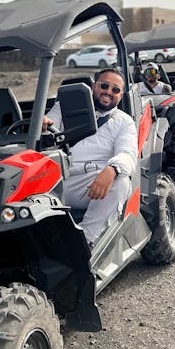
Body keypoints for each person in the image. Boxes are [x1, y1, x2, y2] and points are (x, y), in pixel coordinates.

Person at [43, 67, 137, 246]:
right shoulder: (65, 107)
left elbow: (128, 154)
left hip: (89, 183)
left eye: (115, 89)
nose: (109, 92)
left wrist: (112, 169)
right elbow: (48, 121)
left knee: (121, 182)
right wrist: (43, 123)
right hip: (55, 177)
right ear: (93, 87)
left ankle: (85, 242)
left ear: (121, 95)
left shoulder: (124, 122)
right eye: (104, 86)